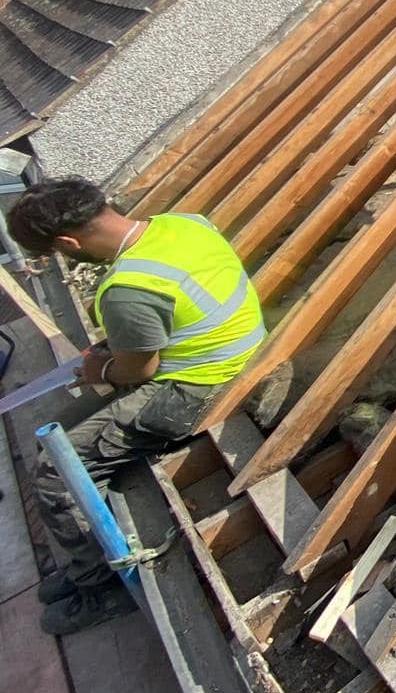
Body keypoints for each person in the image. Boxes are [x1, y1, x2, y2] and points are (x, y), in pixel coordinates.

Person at [4, 177, 263, 635]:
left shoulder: (125, 289)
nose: (64, 257)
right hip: (238, 354)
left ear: (68, 241)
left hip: (198, 389)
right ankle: (84, 566)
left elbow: (138, 372)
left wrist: (99, 372)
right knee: (63, 432)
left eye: (59, 252)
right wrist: (114, 349)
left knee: (55, 473)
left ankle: (99, 587)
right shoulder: (184, 223)